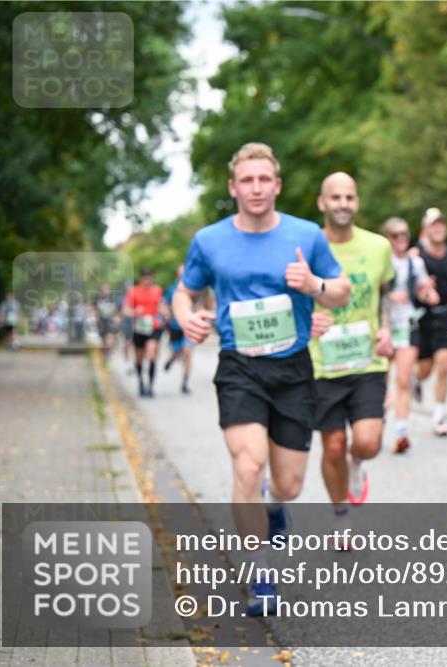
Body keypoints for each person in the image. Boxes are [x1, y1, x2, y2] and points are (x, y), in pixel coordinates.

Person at [173, 143, 349, 616]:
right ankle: (260, 575)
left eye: (264, 179)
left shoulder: (306, 234)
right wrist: (186, 317)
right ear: (233, 187)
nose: (255, 188)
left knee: (289, 484)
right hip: (239, 366)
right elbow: (184, 292)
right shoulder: (209, 241)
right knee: (247, 466)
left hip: (292, 368)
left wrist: (313, 285)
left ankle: (275, 505)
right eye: (246, 180)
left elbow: (341, 290)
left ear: (277, 185)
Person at [310, 172, 394, 517]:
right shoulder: (309, 245)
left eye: (349, 197)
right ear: (322, 202)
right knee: (333, 447)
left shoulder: (379, 246)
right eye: (336, 197)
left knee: (366, 442)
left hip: (367, 361)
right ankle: (340, 513)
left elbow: (386, 295)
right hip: (322, 361)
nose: (343, 204)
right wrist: (306, 322)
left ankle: (357, 463)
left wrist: (388, 328)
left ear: (356, 202)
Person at [381, 217, 440, 453]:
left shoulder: (415, 263)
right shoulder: (381, 260)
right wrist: (390, 297)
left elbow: (425, 290)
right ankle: (376, 424)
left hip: (407, 322)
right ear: (387, 238)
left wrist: (428, 293)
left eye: (405, 235)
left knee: (403, 380)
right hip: (384, 323)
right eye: (396, 235)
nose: (402, 240)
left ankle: (401, 432)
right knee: (380, 382)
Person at [409, 207, 447, 436]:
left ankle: (439, 418)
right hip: (421, 318)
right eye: (434, 224)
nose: (439, 228)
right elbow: (404, 285)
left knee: (444, 366)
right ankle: (416, 380)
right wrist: (420, 289)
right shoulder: (415, 255)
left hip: (443, 316)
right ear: (426, 229)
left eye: (442, 223)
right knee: (425, 369)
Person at [124, 268, 165, 397]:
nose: (148, 281)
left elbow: (161, 305)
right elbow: (125, 310)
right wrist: (135, 312)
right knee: (139, 357)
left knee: (152, 353)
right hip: (139, 328)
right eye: (145, 278)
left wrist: (165, 311)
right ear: (141, 278)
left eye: (150, 278)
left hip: (154, 327)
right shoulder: (133, 291)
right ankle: (141, 383)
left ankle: (150, 387)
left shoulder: (157, 290)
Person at [163, 265, 195, 395]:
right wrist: (167, 314)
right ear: (177, 275)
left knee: (187, 352)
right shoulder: (172, 289)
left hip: (189, 326)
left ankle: (185, 383)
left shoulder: (194, 287)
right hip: (175, 326)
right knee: (177, 352)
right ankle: (170, 361)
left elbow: (200, 303)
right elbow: (164, 304)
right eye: (181, 274)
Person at [94, 284, 119, 351]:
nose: (106, 291)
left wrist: (116, 318)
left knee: (110, 339)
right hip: (101, 322)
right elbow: (95, 310)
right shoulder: (97, 299)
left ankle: (107, 353)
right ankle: (104, 354)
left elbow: (115, 310)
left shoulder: (112, 298)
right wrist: (96, 318)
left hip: (110, 321)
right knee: (104, 341)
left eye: (107, 289)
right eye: (104, 289)